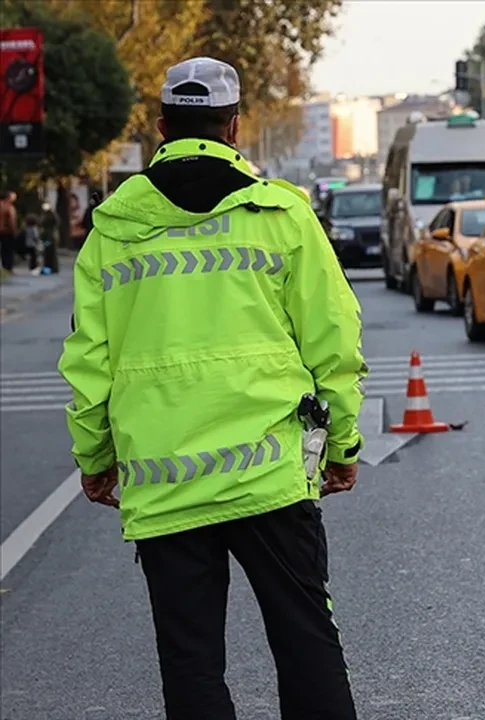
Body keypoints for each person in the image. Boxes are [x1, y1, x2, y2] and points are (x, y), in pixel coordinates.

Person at [58, 57, 366, 720]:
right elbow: (334, 340)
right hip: (270, 475)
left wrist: (94, 458)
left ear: (163, 125)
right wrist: (342, 443)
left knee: (191, 663)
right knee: (306, 639)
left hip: (167, 482)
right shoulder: (280, 213)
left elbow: (88, 363)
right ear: (233, 126)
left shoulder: (112, 229)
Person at [0, 190, 17, 272]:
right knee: (8, 250)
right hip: (7, 231)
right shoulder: (9, 207)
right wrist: (13, 230)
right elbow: (11, 220)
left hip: (2, 230)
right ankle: (8, 267)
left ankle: (4, 265)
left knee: (3, 249)